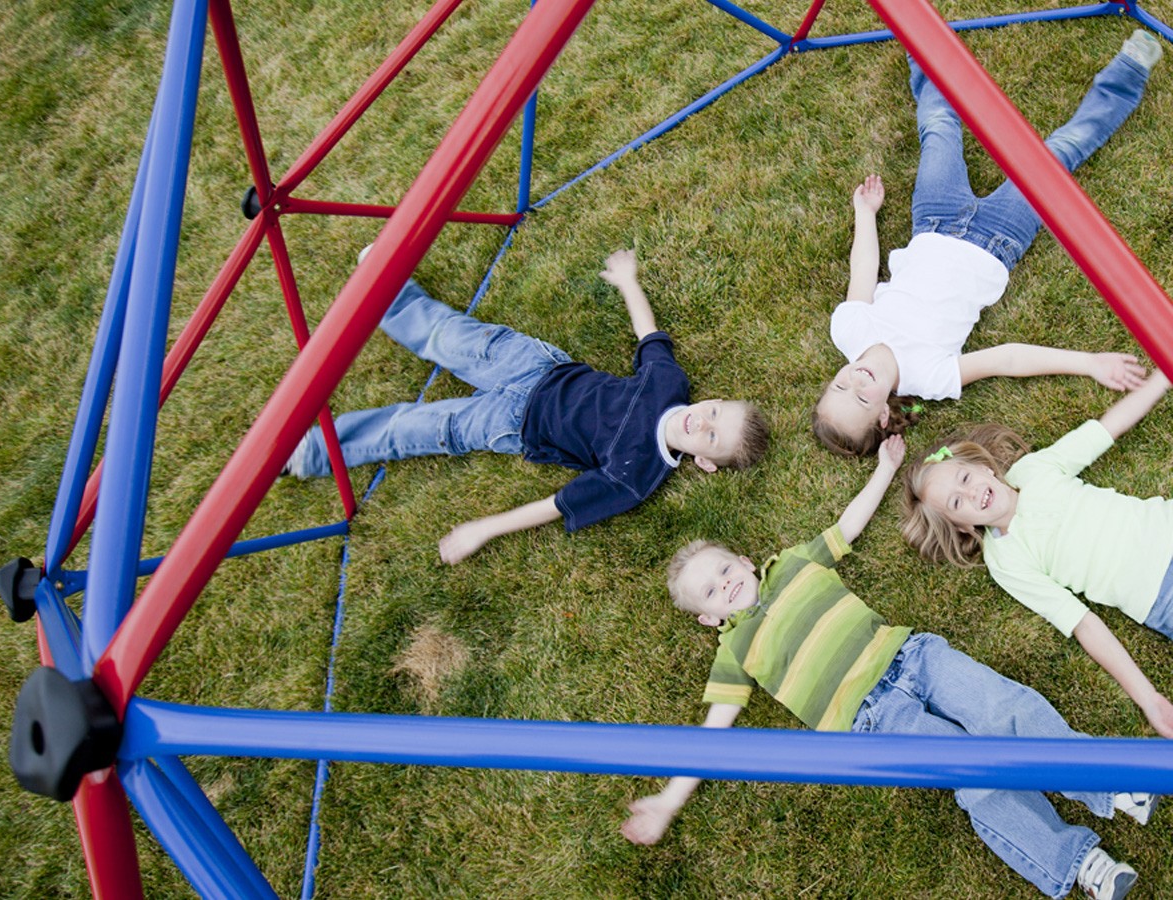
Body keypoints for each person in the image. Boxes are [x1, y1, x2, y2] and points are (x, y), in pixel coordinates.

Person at [621, 436, 1156, 899]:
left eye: (721, 570)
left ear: (741, 560)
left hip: (912, 656)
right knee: (976, 777)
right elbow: (712, 732)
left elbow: (846, 528)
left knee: (1007, 708)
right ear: (709, 619)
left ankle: (1107, 784)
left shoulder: (791, 564)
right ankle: (1079, 864)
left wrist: (884, 469)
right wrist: (668, 802)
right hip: (872, 724)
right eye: (710, 594)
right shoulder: (732, 653)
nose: (725, 585)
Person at [285, 249, 770, 563]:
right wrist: (628, 281)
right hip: (533, 368)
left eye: (711, 435)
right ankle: (387, 289)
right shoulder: (670, 385)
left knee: (416, 428)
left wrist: (483, 529)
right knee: (447, 335)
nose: (702, 419)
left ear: (703, 462)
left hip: (512, 425)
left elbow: (557, 505)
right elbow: (650, 336)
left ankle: (319, 452)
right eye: (715, 409)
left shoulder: (635, 475)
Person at [813, 31, 1162, 457]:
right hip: (999, 239)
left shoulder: (849, 332)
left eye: (840, 384)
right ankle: (1127, 73)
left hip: (933, 219)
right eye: (862, 398)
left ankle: (917, 39)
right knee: (1060, 153)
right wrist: (1088, 363)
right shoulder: (929, 378)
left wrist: (864, 214)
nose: (857, 380)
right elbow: (1006, 360)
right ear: (884, 416)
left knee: (939, 126)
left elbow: (863, 272)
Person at [901, 368, 1173, 740]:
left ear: (983, 468)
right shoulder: (1006, 562)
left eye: (965, 479)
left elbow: (1106, 429)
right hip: (1159, 597)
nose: (972, 494)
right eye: (956, 502)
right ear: (962, 527)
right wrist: (1150, 699)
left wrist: (1161, 378)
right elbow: (1084, 624)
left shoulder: (1034, 470)